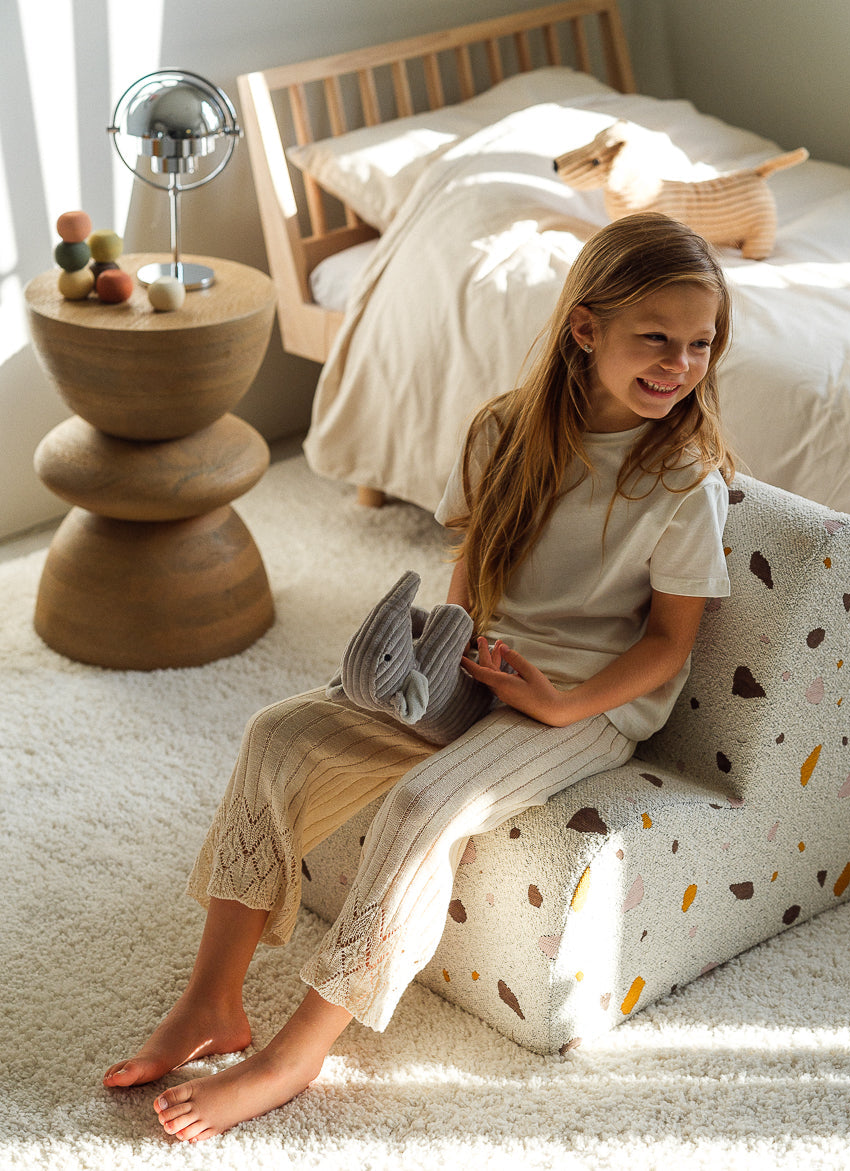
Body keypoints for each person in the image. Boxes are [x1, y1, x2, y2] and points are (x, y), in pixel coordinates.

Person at [103, 212, 734, 1142]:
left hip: (587, 703)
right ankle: (211, 1000)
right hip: (478, 664)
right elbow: (471, 573)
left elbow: (666, 646)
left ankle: (297, 1052)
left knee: (423, 803)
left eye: (699, 344)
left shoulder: (683, 480)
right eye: (655, 338)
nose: (679, 364)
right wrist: (439, 661)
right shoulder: (503, 431)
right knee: (277, 733)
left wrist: (556, 701)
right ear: (584, 328)